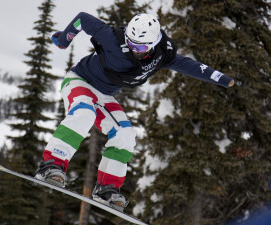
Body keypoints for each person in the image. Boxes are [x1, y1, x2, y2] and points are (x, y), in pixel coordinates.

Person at [35, 12, 234, 211]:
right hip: (79, 81)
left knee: (125, 134)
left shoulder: (162, 54)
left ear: (153, 44)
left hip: (104, 95)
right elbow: (82, 19)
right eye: (130, 42)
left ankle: (107, 188)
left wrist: (221, 78)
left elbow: (189, 65)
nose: (133, 48)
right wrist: (63, 41)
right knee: (84, 113)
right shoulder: (112, 38)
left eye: (139, 47)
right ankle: (51, 164)